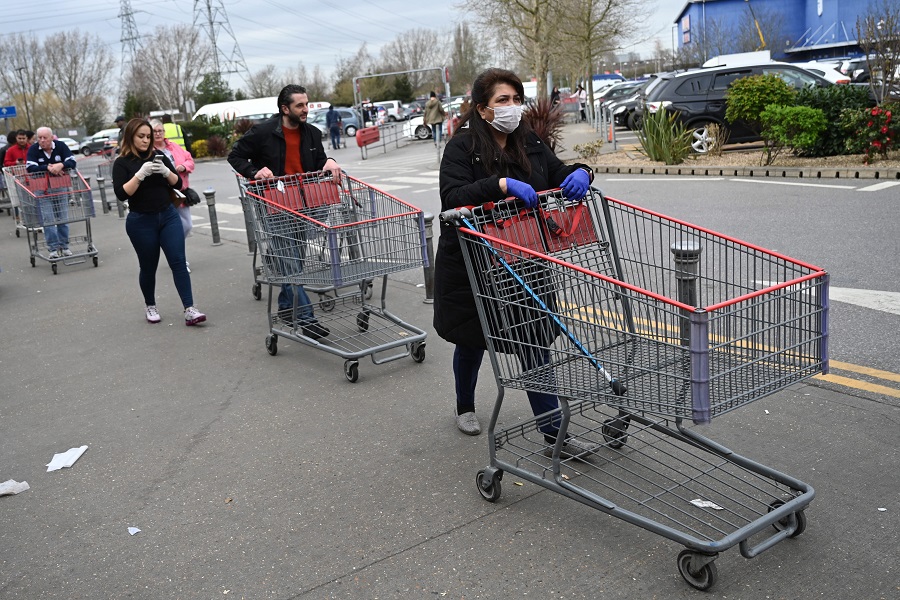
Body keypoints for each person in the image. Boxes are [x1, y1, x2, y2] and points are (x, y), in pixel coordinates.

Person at [435, 68, 596, 458]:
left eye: (515, 99)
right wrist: (500, 185)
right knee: (472, 341)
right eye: (502, 101)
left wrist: (581, 172)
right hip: (475, 263)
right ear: (482, 109)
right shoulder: (462, 147)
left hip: (523, 256)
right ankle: (465, 405)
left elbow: (557, 173)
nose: (512, 107)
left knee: (534, 341)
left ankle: (554, 434)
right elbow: (453, 198)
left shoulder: (529, 139)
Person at [227, 84, 341, 340]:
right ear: (284, 108)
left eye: (307, 104)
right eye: (300, 105)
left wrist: (329, 161)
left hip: (304, 204)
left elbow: (320, 159)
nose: (305, 109)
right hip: (275, 206)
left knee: (295, 260)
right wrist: (255, 172)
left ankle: (286, 308)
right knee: (291, 264)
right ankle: (307, 319)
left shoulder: (311, 133)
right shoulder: (263, 132)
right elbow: (235, 156)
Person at [112, 118, 206, 326]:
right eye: (141, 137)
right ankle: (150, 305)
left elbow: (179, 183)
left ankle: (190, 309)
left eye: (149, 136)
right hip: (141, 221)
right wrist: (139, 175)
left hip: (168, 216)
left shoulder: (160, 156)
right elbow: (121, 194)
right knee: (148, 266)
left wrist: (166, 171)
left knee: (178, 261)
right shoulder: (122, 162)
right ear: (131, 137)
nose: (146, 141)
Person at [150, 118, 195, 272]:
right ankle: (180, 260)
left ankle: (172, 248)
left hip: (180, 192)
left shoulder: (173, 146)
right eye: (154, 131)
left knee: (187, 225)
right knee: (174, 228)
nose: (158, 134)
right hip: (163, 194)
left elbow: (190, 160)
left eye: (160, 131)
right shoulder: (149, 151)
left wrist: (183, 166)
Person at [25, 127, 78, 258]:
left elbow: (72, 161)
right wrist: (48, 168)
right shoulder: (33, 149)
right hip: (41, 189)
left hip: (60, 186)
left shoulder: (60, 146)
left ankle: (64, 246)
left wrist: (61, 165)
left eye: (45, 138)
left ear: (51, 137)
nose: (42, 141)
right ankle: (53, 249)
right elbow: (30, 167)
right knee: (48, 219)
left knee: (62, 218)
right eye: (39, 138)